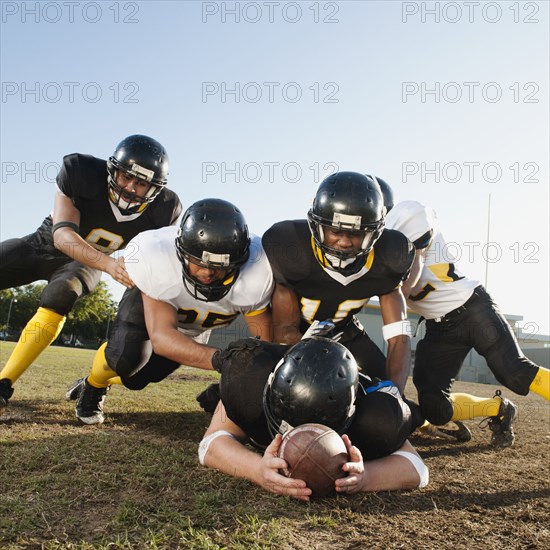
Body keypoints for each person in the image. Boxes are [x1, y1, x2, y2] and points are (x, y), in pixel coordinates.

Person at [0, 135, 182, 413]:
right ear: (112, 170)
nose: (131, 188)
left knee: (62, 294)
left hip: (85, 263)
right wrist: (110, 265)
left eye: (141, 183)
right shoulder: (80, 172)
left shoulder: (164, 210)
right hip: (42, 246)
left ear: (154, 189)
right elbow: (62, 236)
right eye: (125, 177)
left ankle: (4, 383)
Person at [67, 198, 274, 424]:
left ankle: (102, 380)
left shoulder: (257, 271)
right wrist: (227, 362)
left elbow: (265, 345)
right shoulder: (156, 255)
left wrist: (243, 381)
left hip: (194, 329)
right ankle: (93, 385)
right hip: (153, 309)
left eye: (219, 266)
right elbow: (162, 338)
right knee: (126, 358)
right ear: (181, 252)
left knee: (139, 380)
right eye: (198, 261)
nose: (208, 273)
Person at [382, 185, 550, 448]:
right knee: (435, 407)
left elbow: (407, 277)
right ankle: (498, 409)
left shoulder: (406, 214)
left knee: (515, 373)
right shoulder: (367, 247)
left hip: (472, 309)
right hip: (440, 328)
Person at [199, 336, 428, 501]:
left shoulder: (374, 416)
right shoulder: (250, 380)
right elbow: (210, 443)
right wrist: (257, 469)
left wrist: (366, 476)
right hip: (276, 359)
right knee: (228, 400)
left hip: (369, 384)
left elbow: (417, 468)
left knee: (417, 414)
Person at [262, 171, 415, 394]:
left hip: (345, 332)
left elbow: (398, 337)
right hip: (299, 335)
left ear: (374, 232)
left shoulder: (391, 257)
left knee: (385, 400)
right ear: (317, 225)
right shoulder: (290, 248)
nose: (343, 242)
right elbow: (284, 332)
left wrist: (396, 395)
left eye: (355, 233)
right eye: (335, 231)